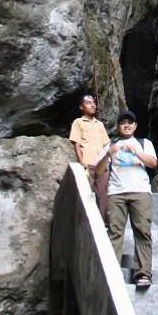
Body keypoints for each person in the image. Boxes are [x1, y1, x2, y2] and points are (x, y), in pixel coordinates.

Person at [104, 110, 157, 288]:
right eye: (123, 123)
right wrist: (108, 154)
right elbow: (99, 170)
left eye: (130, 123)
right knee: (114, 232)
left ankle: (143, 274)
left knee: (143, 231)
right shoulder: (111, 145)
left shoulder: (144, 143)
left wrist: (136, 152)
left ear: (135, 126)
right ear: (118, 126)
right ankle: (111, 273)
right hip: (116, 193)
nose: (126, 125)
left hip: (140, 191)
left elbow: (153, 163)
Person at [68, 93, 110, 222]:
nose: (92, 105)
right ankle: (84, 222)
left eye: (93, 102)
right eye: (88, 103)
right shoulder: (78, 122)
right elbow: (77, 144)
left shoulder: (100, 124)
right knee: (86, 193)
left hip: (101, 165)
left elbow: (106, 145)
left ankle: (102, 222)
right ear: (81, 107)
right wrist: (82, 162)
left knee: (103, 194)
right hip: (88, 163)